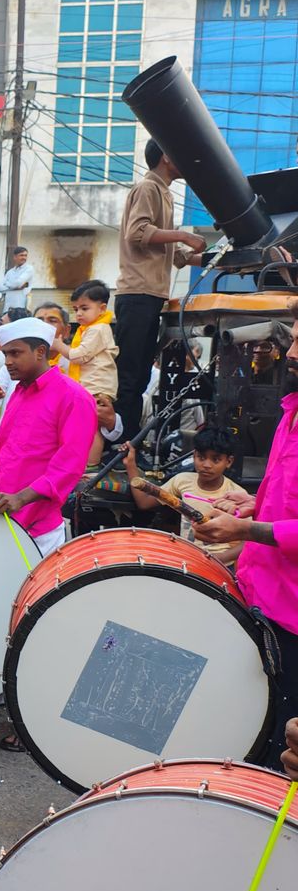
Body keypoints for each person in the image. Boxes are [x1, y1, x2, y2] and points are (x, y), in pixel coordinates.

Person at [193, 305, 298, 769]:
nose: (290, 353)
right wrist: (254, 503)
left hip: (293, 615)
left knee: (280, 746)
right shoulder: (291, 411)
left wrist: (245, 529)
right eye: (293, 339)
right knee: (251, 723)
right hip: (260, 591)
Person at [0, 317, 97, 556]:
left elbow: (69, 466)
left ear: (40, 352)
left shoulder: (74, 397)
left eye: (15, 353)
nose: (8, 361)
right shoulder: (19, 390)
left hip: (37, 531)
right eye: (5, 354)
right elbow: (4, 454)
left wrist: (20, 499)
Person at [114, 139, 205, 439]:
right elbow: (137, 232)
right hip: (137, 293)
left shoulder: (163, 192)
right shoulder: (148, 188)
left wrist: (217, 259)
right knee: (130, 378)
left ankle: (128, 441)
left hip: (150, 295)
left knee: (140, 376)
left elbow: (173, 254)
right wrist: (183, 236)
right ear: (166, 156)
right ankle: (121, 443)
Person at [126, 426, 244, 564]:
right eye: (201, 457)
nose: (206, 465)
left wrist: (220, 559)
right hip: (187, 561)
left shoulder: (237, 495)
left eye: (215, 460)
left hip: (220, 566)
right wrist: (130, 464)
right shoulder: (182, 480)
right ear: (194, 456)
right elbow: (144, 502)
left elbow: (249, 541)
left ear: (228, 462)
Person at [52, 280, 119, 466]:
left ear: (102, 308)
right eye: (76, 309)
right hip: (91, 386)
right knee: (84, 426)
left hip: (95, 387)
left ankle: (91, 464)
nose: (79, 314)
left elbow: (78, 356)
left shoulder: (98, 329)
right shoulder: (89, 329)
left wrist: (59, 346)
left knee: (92, 427)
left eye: (84, 308)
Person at [0, 246, 34, 312]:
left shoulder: (29, 269)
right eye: (21, 255)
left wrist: (7, 284)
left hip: (21, 307)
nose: (24, 258)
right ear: (15, 257)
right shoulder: (10, 272)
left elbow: (18, 284)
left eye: (25, 255)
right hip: (8, 308)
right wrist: (15, 287)